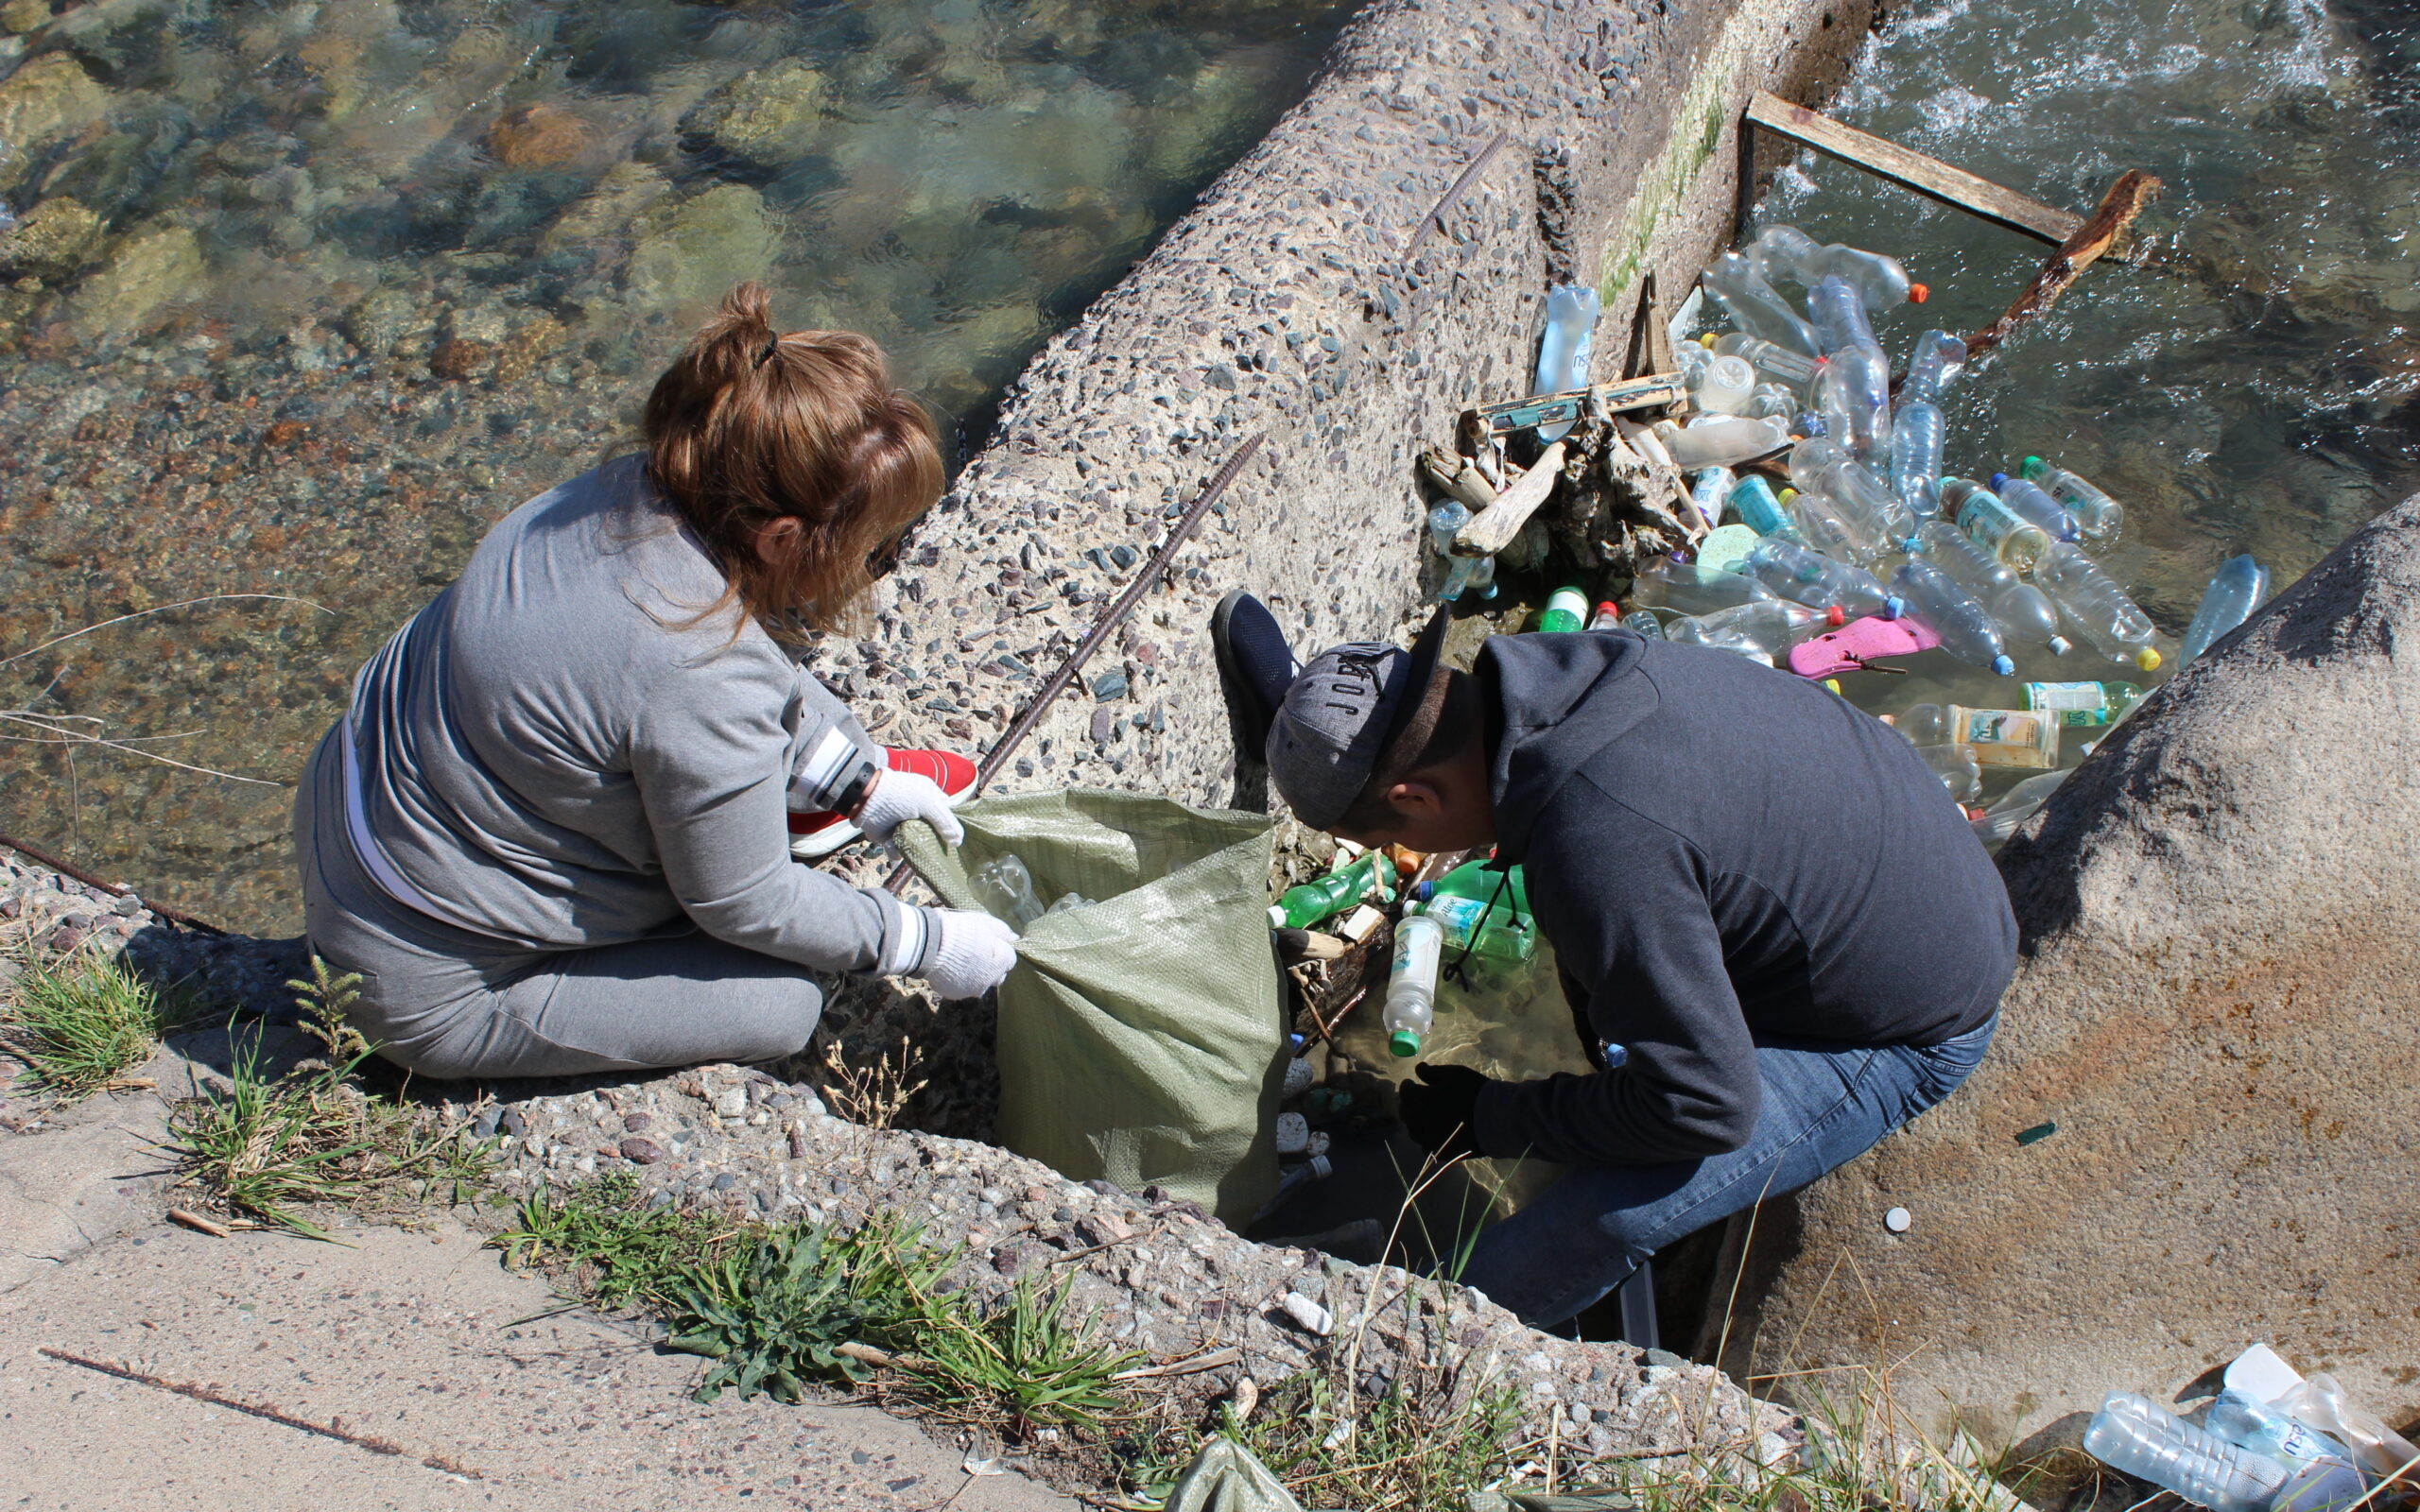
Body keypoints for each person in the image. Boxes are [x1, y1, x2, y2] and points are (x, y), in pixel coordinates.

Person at [1214, 593, 2015, 1328]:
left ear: (1416, 799)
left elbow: (1707, 1107)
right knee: (1610, 1002)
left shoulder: (1598, 842)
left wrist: (1492, 1117)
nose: (1400, 852)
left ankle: (1407, 1349)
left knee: (1607, 1213)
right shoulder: (1567, 677)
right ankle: (1302, 721)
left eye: (1390, 833)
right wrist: (1306, 721)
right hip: (1912, 864)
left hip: (1913, 1018)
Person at [290, 284, 1019, 1082]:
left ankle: (789, 798)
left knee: (701, 790)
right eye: (874, 552)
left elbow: (703, 670)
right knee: (782, 1003)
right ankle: (753, 819)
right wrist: (923, 943)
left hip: (347, 824)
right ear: (782, 537)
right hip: (424, 988)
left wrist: (860, 780)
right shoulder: (700, 674)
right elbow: (745, 903)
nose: (876, 568)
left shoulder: (626, 491)